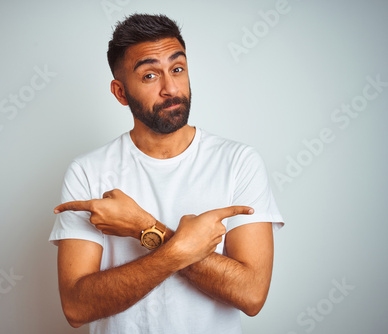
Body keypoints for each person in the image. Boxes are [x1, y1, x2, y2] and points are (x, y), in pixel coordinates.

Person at [49, 13, 284, 334]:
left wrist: (144, 228)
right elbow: (77, 307)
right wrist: (180, 247)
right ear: (120, 92)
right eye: (149, 76)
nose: (170, 88)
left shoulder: (239, 161)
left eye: (177, 69)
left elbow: (251, 294)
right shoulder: (87, 171)